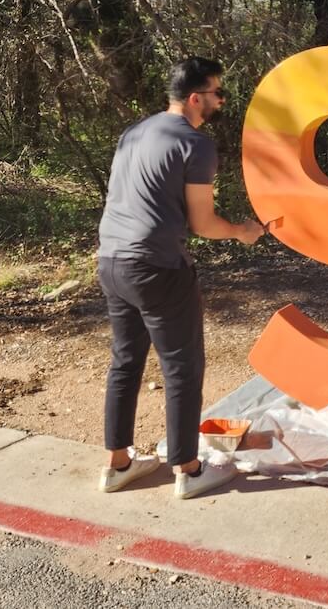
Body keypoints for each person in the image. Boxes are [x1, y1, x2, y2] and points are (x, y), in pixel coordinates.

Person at [96, 57, 266, 499]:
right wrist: (243, 232)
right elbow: (204, 224)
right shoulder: (196, 144)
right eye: (217, 94)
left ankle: (118, 465)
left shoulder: (134, 132)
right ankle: (188, 471)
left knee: (125, 363)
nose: (221, 101)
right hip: (157, 268)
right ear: (196, 98)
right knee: (182, 368)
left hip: (111, 261)